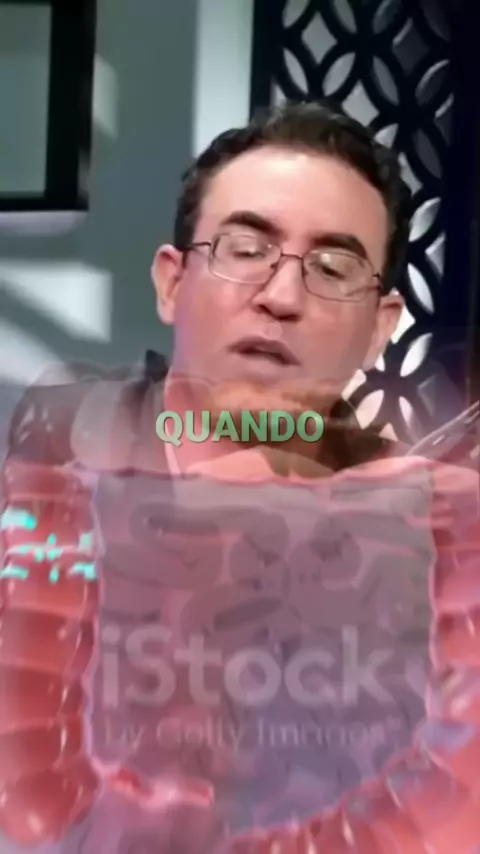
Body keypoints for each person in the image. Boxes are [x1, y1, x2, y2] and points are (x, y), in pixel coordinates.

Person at [0, 101, 479, 854]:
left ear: (381, 328)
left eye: (333, 268)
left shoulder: (437, 533)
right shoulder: (55, 472)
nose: (281, 298)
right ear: (172, 282)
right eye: (246, 249)